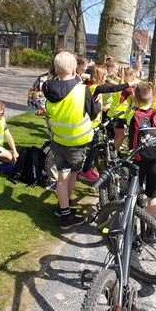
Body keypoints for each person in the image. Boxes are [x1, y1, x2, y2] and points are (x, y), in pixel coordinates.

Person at [42, 50, 100, 229]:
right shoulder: (81, 90)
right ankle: (65, 214)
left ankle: (63, 208)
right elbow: (93, 113)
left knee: (61, 177)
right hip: (77, 142)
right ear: (75, 69)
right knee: (72, 175)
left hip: (59, 140)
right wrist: (97, 104)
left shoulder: (47, 88)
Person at [127, 82, 156, 218]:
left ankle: (131, 227)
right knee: (152, 197)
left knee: (132, 196)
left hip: (138, 160)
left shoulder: (132, 115)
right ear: (152, 99)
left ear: (135, 99)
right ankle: (150, 228)